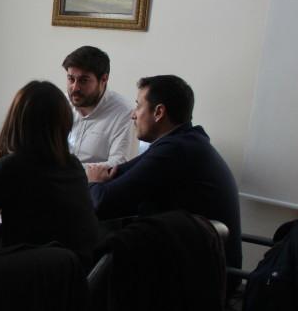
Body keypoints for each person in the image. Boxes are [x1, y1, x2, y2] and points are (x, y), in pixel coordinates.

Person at [87, 74, 242, 269]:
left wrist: (93, 182)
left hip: (199, 276)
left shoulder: (177, 150)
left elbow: (103, 203)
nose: (133, 115)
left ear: (159, 112)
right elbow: (118, 174)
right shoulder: (184, 141)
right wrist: (98, 182)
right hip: (192, 263)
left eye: (138, 106)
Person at [0, 80, 101, 268]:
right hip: (78, 276)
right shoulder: (73, 165)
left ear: (17, 120)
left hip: (33, 278)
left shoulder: (13, 166)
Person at [62, 45, 138, 167]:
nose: (75, 88)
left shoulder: (124, 113)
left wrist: (69, 172)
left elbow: (119, 164)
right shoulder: (62, 103)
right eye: (71, 79)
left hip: (92, 180)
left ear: (104, 79)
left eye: (83, 80)